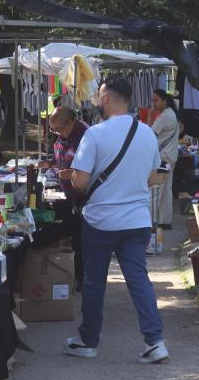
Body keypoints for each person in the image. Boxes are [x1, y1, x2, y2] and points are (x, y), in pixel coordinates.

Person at [59, 77, 168, 363]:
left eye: (98, 93)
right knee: (139, 280)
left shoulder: (94, 134)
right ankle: (155, 341)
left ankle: (88, 340)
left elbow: (80, 182)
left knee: (95, 283)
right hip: (136, 220)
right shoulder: (146, 133)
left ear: (106, 97)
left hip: (101, 221)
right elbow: (153, 179)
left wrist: (72, 174)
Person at [49, 106, 91, 284]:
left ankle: (82, 278)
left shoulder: (86, 136)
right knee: (73, 235)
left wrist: (71, 174)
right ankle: (77, 276)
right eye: (54, 130)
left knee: (81, 240)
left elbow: (90, 168)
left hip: (84, 196)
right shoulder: (65, 134)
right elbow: (61, 155)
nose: (57, 132)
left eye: (59, 128)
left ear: (71, 121)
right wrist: (50, 162)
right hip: (69, 194)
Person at [148, 89, 180, 231]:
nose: (153, 103)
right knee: (166, 188)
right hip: (170, 156)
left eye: (156, 100)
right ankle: (164, 221)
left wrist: (149, 115)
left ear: (164, 101)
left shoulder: (165, 116)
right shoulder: (171, 114)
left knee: (157, 189)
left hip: (163, 158)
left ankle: (151, 221)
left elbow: (149, 134)